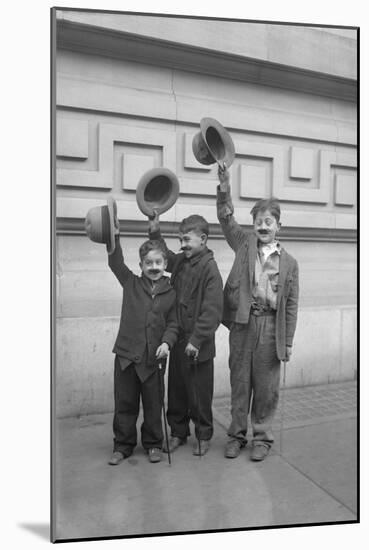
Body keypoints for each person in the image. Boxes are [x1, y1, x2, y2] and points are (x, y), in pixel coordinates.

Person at [216, 165, 299, 461]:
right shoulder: (243, 244)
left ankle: (262, 437)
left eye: (268, 222)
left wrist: (287, 341)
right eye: (258, 222)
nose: (263, 227)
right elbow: (226, 218)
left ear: (279, 226)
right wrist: (224, 185)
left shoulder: (290, 263)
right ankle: (237, 435)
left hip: (270, 328)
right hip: (242, 324)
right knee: (240, 382)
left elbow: (291, 305)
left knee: (265, 387)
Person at [148, 213, 223, 456]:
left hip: (198, 346)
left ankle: (203, 435)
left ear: (203, 239)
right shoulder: (181, 261)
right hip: (178, 341)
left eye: (187, 239)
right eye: (180, 239)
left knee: (199, 393)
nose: (182, 245)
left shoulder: (211, 269)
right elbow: (165, 257)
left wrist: (197, 340)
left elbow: (213, 311)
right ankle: (178, 432)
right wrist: (155, 231)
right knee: (177, 391)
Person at [107, 221, 178, 465]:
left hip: (154, 360)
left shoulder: (171, 292)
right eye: (149, 263)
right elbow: (115, 263)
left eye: (158, 262)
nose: (154, 267)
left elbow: (174, 324)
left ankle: (153, 444)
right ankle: (123, 445)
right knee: (125, 403)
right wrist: (113, 236)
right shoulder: (130, 283)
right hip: (126, 357)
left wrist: (167, 343)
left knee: (152, 405)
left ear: (166, 264)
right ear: (141, 266)